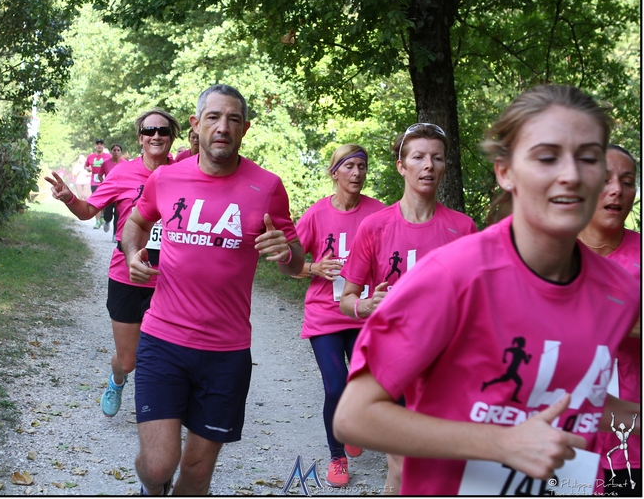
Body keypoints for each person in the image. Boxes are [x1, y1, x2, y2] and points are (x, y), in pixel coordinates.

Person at [333, 84, 641, 495]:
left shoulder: (619, 291)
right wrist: (503, 444)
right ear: (505, 172)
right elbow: (354, 417)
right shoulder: (451, 275)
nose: (570, 175)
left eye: (587, 157)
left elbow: (570, 397)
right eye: (547, 157)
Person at [122, 84, 304, 495]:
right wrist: (133, 253)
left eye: (233, 119)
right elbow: (136, 223)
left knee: (197, 470)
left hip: (226, 352)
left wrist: (285, 252)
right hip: (163, 340)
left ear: (245, 129)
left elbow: (294, 262)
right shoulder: (166, 178)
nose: (223, 127)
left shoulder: (267, 186)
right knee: (157, 465)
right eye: (214, 117)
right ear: (196, 124)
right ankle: (152, 487)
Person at [338, 122, 478, 493]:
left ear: (445, 166)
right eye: (418, 157)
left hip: (445, 365)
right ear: (401, 166)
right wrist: (367, 305)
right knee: (401, 465)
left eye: (437, 158)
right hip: (393, 359)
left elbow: (479, 306)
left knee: (444, 466)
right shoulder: (374, 226)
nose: (428, 165)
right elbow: (346, 300)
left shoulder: (464, 229)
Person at [45, 108, 180, 420]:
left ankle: (159, 410)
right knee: (128, 360)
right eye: (149, 131)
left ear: (172, 137)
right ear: (140, 138)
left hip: (172, 279)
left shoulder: (185, 173)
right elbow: (87, 211)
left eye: (163, 130)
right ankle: (117, 380)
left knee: (166, 354)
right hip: (127, 277)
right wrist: (68, 197)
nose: (156, 135)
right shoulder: (122, 173)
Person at [293, 144, 386, 487]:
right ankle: (337, 457)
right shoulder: (316, 215)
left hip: (364, 314)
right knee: (335, 385)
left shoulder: (379, 213)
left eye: (362, 166)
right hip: (325, 315)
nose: (357, 173)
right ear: (334, 173)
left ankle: (353, 423)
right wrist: (314, 268)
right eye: (349, 166)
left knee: (364, 383)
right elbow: (290, 263)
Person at [578, 145, 641, 495]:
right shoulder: (552, 254)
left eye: (627, 182)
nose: (617, 189)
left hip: (632, 435)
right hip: (565, 435)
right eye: (604, 180)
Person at [100, 143, 128, 236]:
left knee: (118, 213)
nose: (116, 152)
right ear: (111, 152)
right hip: (109, 191)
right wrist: (104, 183)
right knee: (108, 211)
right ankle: (107, 220)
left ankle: (115, 234)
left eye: (118, 150)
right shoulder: (105, 163)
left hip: (121, 192)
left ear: (121, 152)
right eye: (114, 150)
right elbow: (100, 175)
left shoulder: (125, 163)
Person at [85, 139, 112, 229]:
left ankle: (102, 216)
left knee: (104, 201)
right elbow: (85, 165)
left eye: (101, 144)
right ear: (95, 146)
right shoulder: (90, 156)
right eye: (98, 144)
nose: (99, 146)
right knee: (96, 201)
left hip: (105, 181)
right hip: (94, 181)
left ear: (103, 146)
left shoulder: (108, 156)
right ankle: (97, 221)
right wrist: (87, 168)